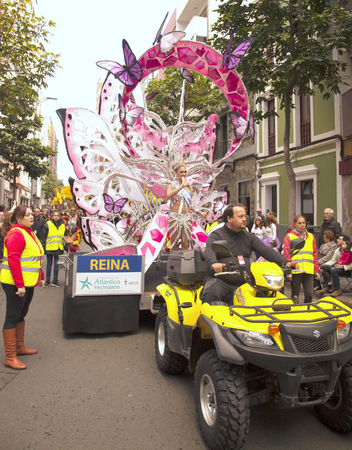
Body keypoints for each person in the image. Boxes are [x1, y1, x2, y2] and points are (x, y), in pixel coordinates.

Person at [201, 204, 297, 304]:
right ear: (229, 218)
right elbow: (209, 251)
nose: (244, 219)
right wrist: (214, 263)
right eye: (240, 216)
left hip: (244, 283)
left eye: (244, 216)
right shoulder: (217, 235)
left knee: (263, 301)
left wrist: (285, 262)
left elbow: (266, 250)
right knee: (210, 295)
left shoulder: (249, 237)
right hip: (221, 282)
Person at [0, 206, 44, 370]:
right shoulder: (16, 234)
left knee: (21, 314)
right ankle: (10, 357)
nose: (32, 217)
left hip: (28, 282)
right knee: (12, 316)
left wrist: (40, 277)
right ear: (18, 218)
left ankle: (19, 347)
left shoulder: (28, 232)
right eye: (27, 215)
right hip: (15, 283)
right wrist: (19, 285)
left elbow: (34, 257)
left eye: (32, 214)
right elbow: (13, 261)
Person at [166, 164, 207, 253]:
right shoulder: (171, 185)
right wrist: (181, 186)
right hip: (175, 217)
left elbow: (190, 204)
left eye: (185, 172)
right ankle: (174, 264)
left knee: (186, 243)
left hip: (187, 217)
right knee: (174, 243)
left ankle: (184, 264)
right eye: (181, 172)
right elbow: (169, 195)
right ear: (176, 173)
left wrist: (199, 211)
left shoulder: (189, 186)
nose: (184, 174)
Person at [283, 215, 320, 303]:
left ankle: (308, 311)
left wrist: (316, 270)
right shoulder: (289, 237)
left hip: (308, 270)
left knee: (309, 295)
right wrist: (289, 272)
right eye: (299, 223)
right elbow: (286, 255)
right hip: (296, 270)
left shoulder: (310, 236)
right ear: (295, 224)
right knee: (295, 294)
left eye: (304, 223)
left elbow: (315, 254)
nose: (302, 225)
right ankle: (296, 312)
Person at [43, 211, 66, 287]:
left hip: (58, 248)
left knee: (56, 265)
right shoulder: (47, 224)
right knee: (49, 265)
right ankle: (47, 280)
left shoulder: (62, 226)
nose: (56, 217)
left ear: (59, 216)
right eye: (54, 215)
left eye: (57, 215)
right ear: (52, 216)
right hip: (49, 247)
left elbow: (64, 237)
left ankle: (55, 280)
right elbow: (43, 237)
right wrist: (43, 248)